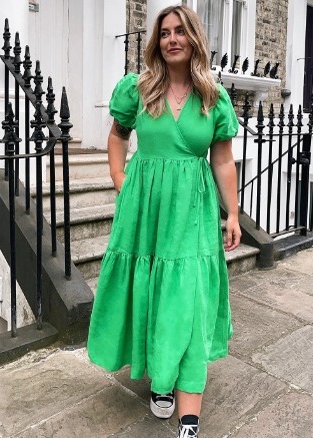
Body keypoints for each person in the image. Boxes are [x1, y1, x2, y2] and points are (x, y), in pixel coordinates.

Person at [86, 5, 241, 438]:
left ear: (193, 39)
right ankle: (160, 378)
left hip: (192, 209)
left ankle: (188, 412)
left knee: (188, 296)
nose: (172, 38)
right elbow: (117, 134)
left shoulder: (214, 97)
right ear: (158, 41)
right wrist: (120, 178)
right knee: (150, 289)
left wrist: (232, 213)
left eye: (180, 31)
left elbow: (223, 159)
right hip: (144, 208)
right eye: (165, 32)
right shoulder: (138, 89)